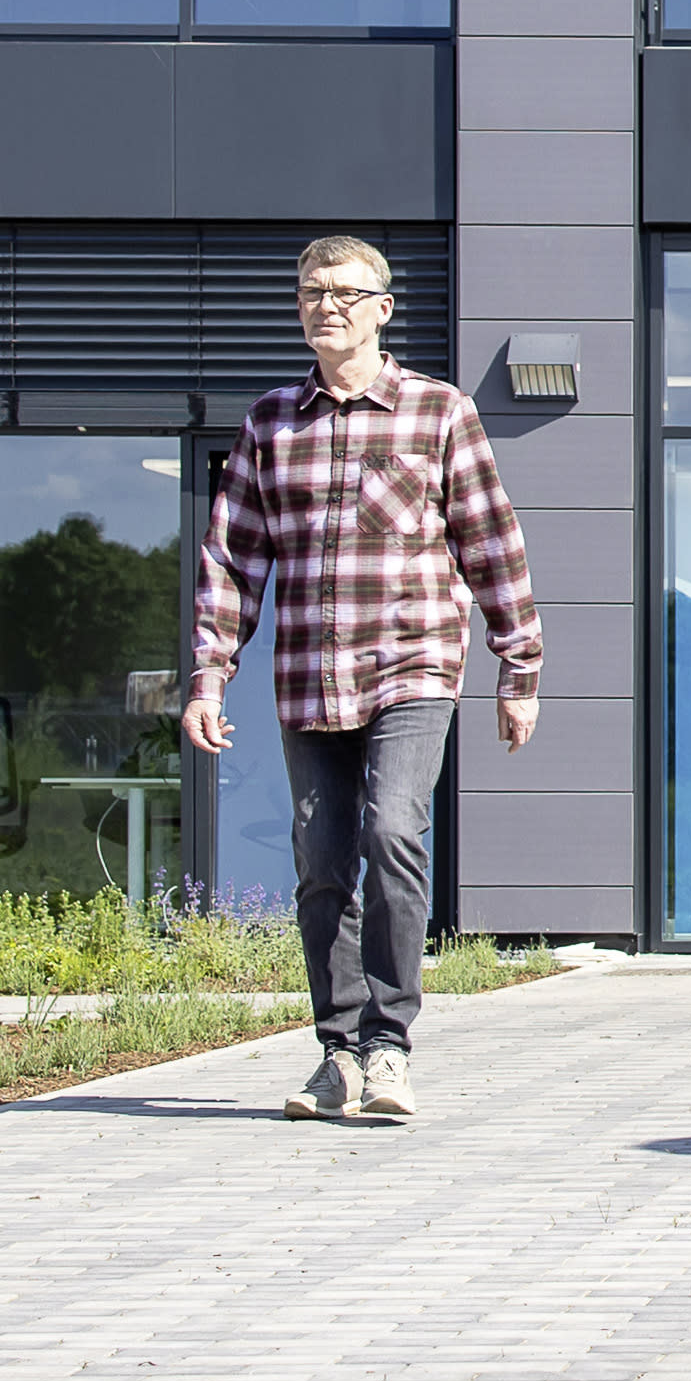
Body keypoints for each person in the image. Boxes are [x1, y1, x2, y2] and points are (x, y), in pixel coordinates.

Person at [178, 235, 542, 1124]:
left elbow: (491, 541)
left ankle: (388, 1044)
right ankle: (338, 1052)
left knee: (392, 828)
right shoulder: (270, 422)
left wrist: (518, 665)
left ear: (383, 308)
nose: (326, 305)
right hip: (311, 675)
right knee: (320, 861)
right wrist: (209, 675)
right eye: (312, 292)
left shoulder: (439, 412)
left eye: (344, 292)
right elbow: (233, 558)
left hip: (413, 663)